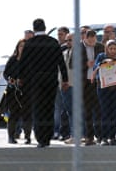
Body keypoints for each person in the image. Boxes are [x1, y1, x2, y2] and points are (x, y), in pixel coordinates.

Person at [18, 18, 68, 148]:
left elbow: (22, 62)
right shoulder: (53, 42)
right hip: (51, 79)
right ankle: (47, 136)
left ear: (34, 29)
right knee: (49, 108)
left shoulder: (30, 43)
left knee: (38, 108)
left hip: (35, 81)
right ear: (45, 28)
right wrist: (65, 79)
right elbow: (60, 62)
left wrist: (20, 77)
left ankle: (40, 137)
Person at [92, 40, 116, 145]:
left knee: (113, 113)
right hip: (103, 89)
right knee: (105, 112)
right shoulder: (101, 56)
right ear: (107, 48)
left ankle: (112, 137)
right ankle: (104, 137)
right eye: (111, 48)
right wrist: (104, 63)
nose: (113, 51)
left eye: (115, 49)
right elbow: (95, 67)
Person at [3, 39, 32, 144]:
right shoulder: (12, 60)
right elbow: (6, 73)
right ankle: (11, 137)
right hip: (13, 91)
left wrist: (24, 80)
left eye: (24, 46)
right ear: (17, 48)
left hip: (26, 91)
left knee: (27, 114)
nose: (22, 48)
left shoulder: (30, 61)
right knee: (13, 114)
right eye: (21, 46)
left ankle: (28, 137)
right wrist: (10, 79)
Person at [81, 29, 104, 145]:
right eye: (90, 41)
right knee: (87, 111)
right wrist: (85, 64)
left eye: (94, 40)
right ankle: (89, 137)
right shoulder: (79, 48)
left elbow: (105, 60)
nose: (92, 43)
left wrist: (98, 64)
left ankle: (100, 135)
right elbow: (71, 63)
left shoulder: (100, 46)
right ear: (85, 38)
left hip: (98, 82)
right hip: (85, 83)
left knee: (99, 110)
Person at [53, 26, 70, 141]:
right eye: (58, 34)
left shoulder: (68, 49)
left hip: (66, 82)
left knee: (65, 108)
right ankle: (56, 130)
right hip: (55, 81)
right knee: (57, 108)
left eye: (61, 34)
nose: (59, 36)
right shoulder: (56, 47)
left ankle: (63, 131)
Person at [62, 33, 75, 144]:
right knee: (70, 112)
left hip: (76, 87)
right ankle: (73, 135)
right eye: (67, 40)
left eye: (70, 40)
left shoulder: (80, 53)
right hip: (65, 87)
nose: (68, 42)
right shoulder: (64, 53)